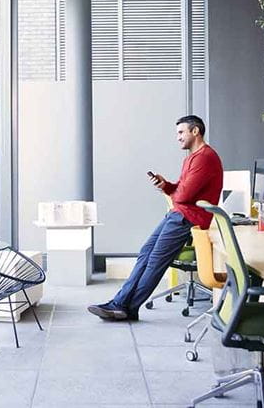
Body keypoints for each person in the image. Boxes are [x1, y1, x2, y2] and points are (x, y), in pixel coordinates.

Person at [87, 115, 224, 321]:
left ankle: (126, 307)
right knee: (146, 253)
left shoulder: (205, 157)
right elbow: (181, 189)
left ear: (195, 131)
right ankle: (122, 304)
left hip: (187, 218)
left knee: (155, 261)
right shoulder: (191, 158)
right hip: (178, 214)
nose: (177, 138)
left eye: (181, 132)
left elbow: (185, 196)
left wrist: (177, 194)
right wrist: (166, 186)